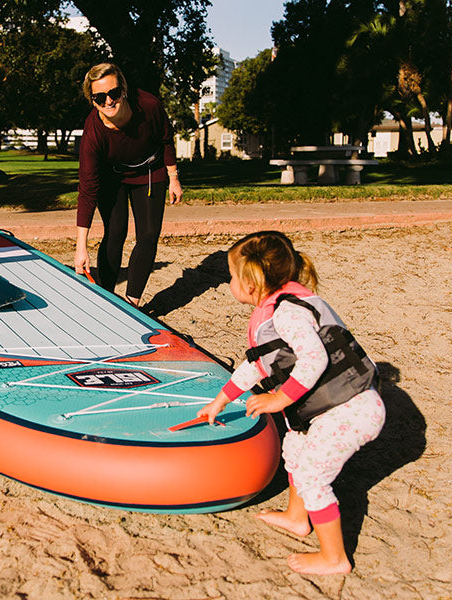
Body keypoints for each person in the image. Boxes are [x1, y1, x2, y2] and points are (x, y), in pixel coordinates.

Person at [197, 231, 386, 575]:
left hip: (351, 409)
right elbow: (257, 365)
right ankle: (298, 518)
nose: (229, 283)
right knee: (296, 450)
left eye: (232, 276)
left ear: (252, 283)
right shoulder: (280, 307)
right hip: (330, 409)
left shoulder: (287, 314)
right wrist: (220, 401)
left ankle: (334, 558)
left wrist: (279, 398)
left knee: (313, 477)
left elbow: (314, 359)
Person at [74, 63, 183, 307]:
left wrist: (173, 177)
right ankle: (104, 296)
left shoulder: (149, 105)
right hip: (112, 175)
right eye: (100, 97)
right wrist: (81, 248)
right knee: (115, 232)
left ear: (123, 89)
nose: (108, 101)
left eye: (113, 93)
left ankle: (131, 302)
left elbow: (165, 139)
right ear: (92, 100)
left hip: (149, 170)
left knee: (148, 233)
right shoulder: (93, 133)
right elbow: (87, 191)